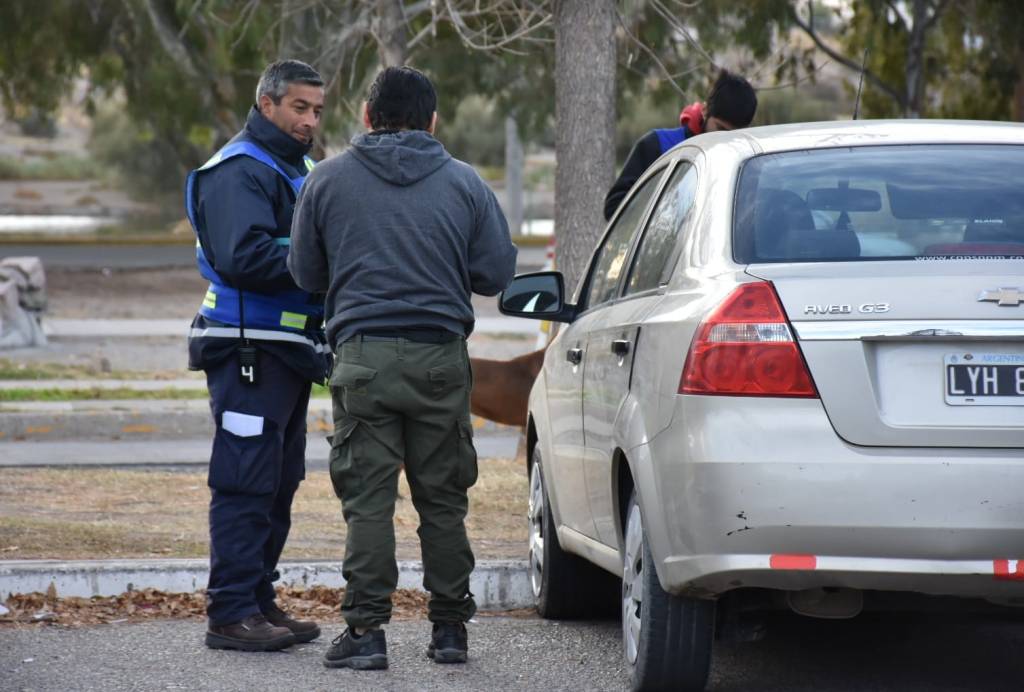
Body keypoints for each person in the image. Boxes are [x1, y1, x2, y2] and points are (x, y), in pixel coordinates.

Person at [289, 65, 517, 670]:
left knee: (367, 502)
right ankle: (449, 632)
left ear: (367, 117)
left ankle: (366, 633)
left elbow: (306, 275)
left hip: (361, 358)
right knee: (443, 501)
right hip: (441, 359)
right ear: (433, 120)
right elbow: (495, 275)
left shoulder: (328, 180)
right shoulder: (465, 184)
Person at [185, 59, 332, 652]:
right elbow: (242, 257)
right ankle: (230, 612)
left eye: (318, 110)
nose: (309, 121)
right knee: (245, 482)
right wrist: (324, 259)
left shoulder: (297, 168)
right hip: (247, 348)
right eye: (299, 108)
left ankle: (258, 599)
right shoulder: (239, 169)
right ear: (266, 103)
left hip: (285, 352)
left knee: (277, 482)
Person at [604, 69, 758, 220]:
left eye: (733, 134)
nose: (724, 139)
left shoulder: (748, 166)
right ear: (705, 111)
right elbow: (614, 208)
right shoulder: (658, 145)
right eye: (720, 128)